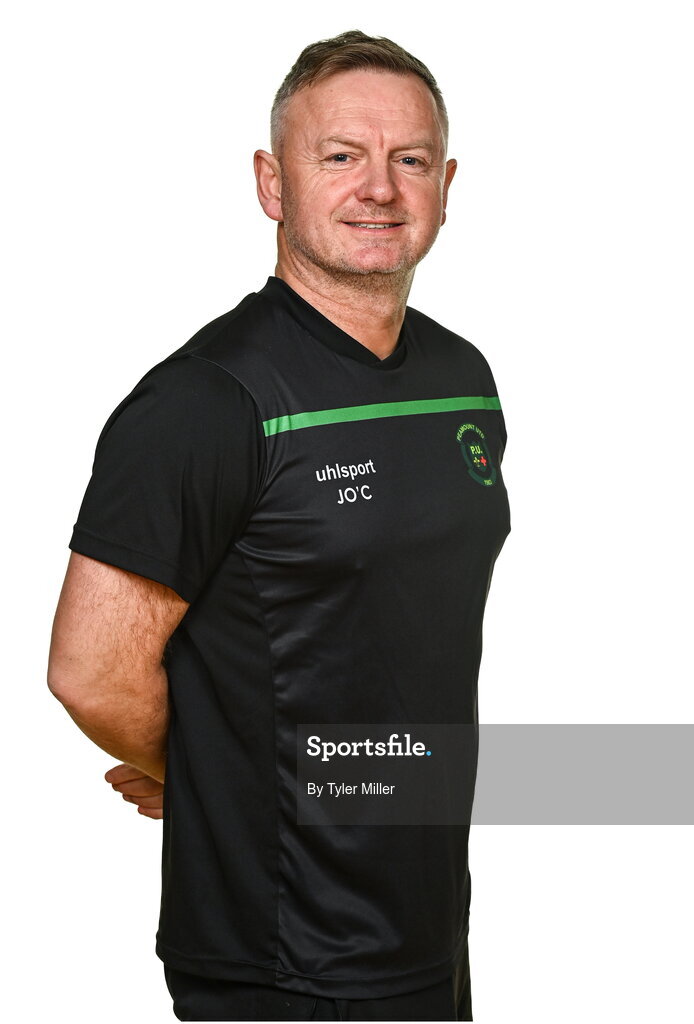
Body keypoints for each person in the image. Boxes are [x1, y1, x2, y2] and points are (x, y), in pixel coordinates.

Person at [47, 29, 511, 1022]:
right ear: (272, 183)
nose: (379, 188)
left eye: (410, 159)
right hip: (280, 956)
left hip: (426, 930)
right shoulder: (205, 402)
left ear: (445, 182)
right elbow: (89, 668)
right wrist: (219, 776)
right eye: (339, 156)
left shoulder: (459, 382)